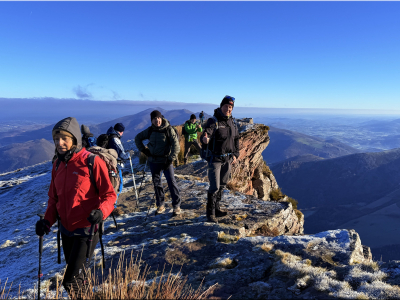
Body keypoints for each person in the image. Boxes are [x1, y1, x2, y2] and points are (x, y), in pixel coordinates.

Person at [35, 117, 116, 298]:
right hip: (66, 231)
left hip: (87, 230)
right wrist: (47, 221)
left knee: (70, 281)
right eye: (56, 139)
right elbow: (53, 199)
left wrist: (101, 212)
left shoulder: (92, 162)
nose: (59, 143)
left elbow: (109, 195)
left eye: (64, 138)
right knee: (79, 278)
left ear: (75, 140)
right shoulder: (57, 165)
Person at [135, 110, 182, 216]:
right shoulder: (150, 130)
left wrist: (170, 159)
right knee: (157, 184)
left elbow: (176, 146)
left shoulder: (168, 130)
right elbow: (137, 138)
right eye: (154, 119)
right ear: (151, 120)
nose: (157, 120)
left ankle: (176, 206)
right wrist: (144, 150)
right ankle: (160, 205)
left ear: (161, 118)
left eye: (158, 118)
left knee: (171, 182)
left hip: (166, 160)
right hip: (153, 161)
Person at [201, 96, 239, 223]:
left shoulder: (232, 122)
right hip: (215, 159)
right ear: (221, 106)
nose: (228, 109)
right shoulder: (213, 121)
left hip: (227, 159)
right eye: (226, 106)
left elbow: (236, 139)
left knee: (222, 185)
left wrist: (235, 154)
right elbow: (207, 133)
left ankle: (217, 209)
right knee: (214, 186)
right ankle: (210, 214)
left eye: (230, 107)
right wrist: (204, 139)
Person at [106, 123, 134, 200]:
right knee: (118, 185)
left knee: (111, 184)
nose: (122, 134)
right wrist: (129, 154)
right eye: (122, 131)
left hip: (108, 164)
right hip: (116, 165)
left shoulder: (108, 136)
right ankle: (114, 205)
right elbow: (122, 155)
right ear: (120, 131)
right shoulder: (115, 139)